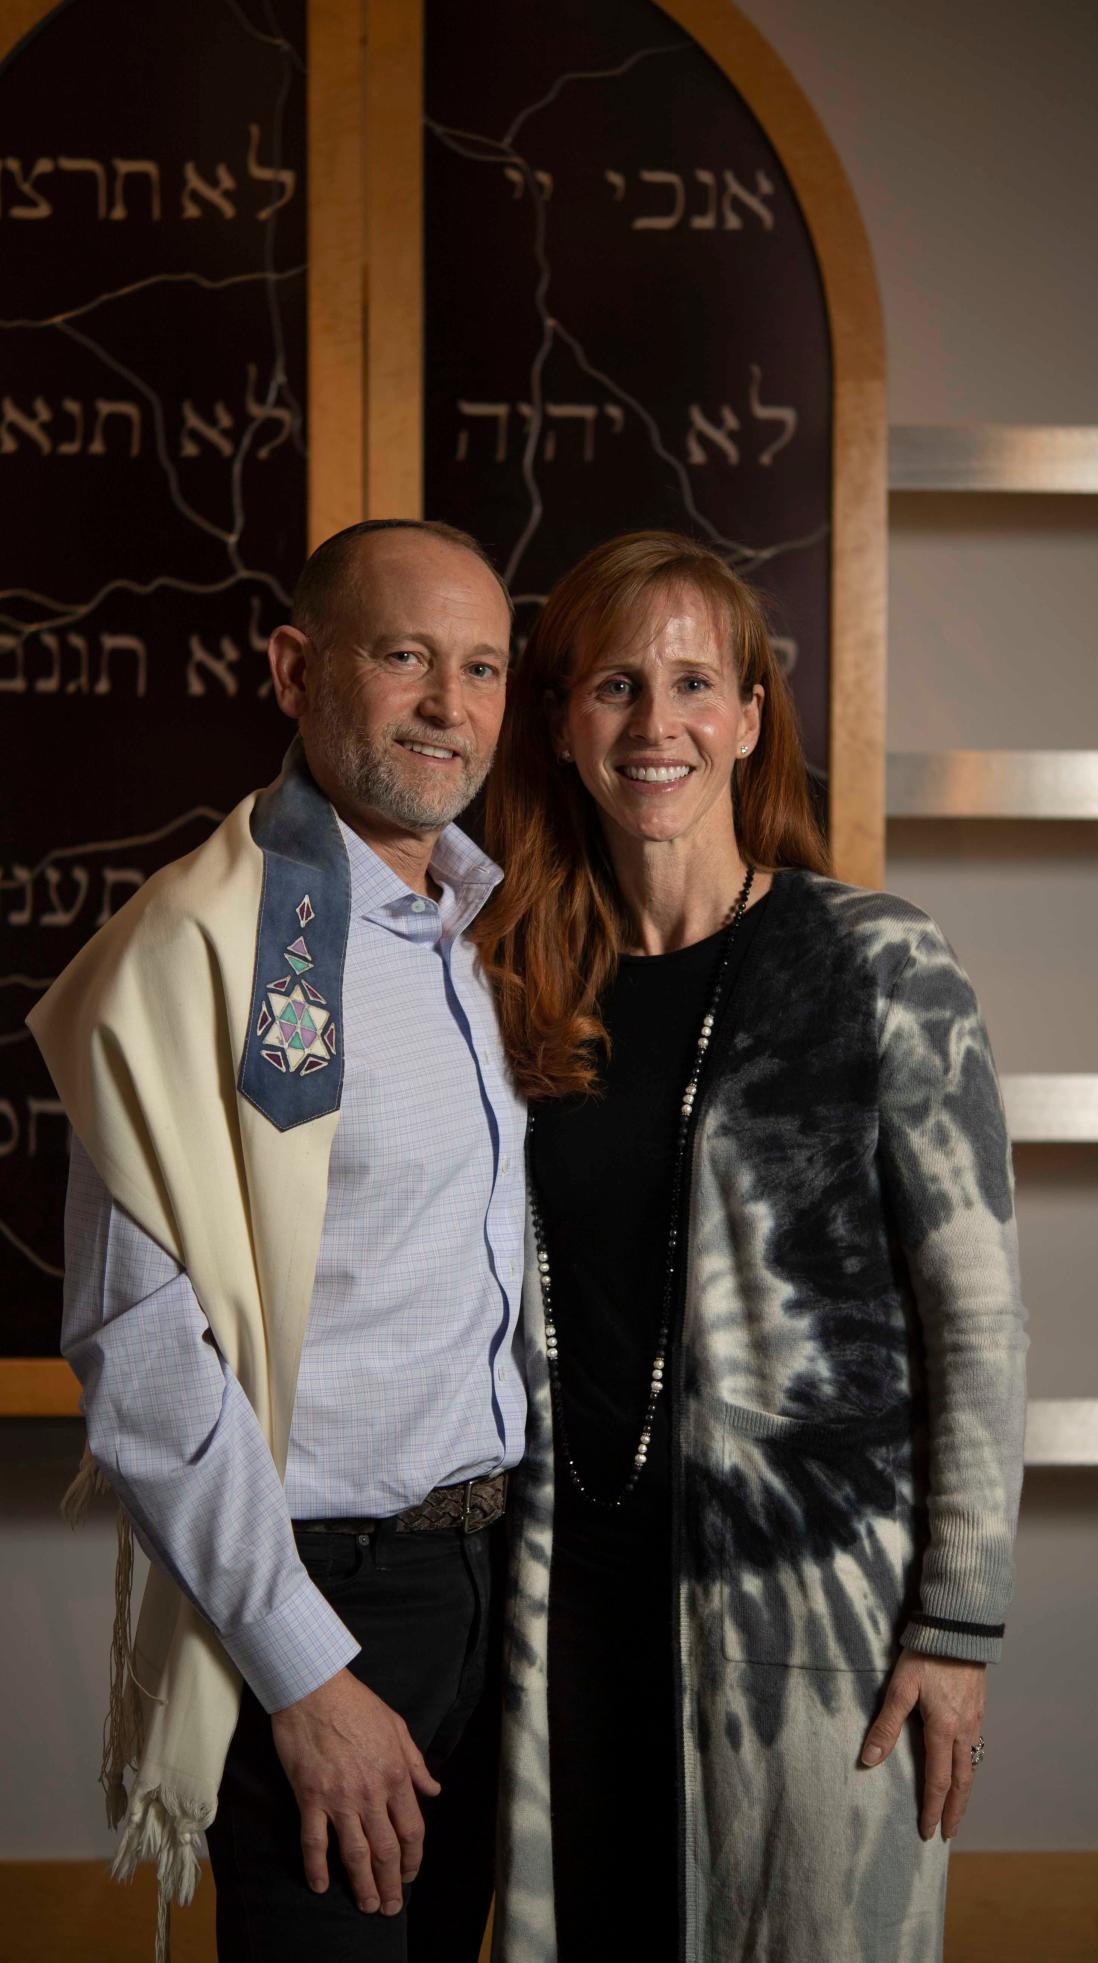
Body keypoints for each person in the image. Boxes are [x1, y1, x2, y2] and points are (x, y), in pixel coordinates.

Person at [474, 532, 1027, 1963]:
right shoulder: (502, 980)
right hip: (559, 1606)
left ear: (748, 719)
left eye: (691, 683)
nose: (654, 725)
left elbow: (976, 1319)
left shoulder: (876, 963)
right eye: (612, 685)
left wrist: (955, 1631)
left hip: (808, 1616)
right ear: (560, 722)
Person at [28, 518, 525, 1962]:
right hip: (316, 1595)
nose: (450, 704)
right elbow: (141, 1359)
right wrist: (306, 1676)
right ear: (296, 670)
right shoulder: (195, 948)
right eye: (405, 657)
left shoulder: (484, 935)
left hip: (493, 1585)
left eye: (483, 666)